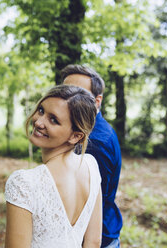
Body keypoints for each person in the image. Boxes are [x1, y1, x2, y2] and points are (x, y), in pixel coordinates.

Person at [5, 85, 102, 248]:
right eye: (41, 110)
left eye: (53, 120)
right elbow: (93, 241)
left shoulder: (24, 182)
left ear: (75, 136)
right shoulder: (90, 165)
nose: (38, 121)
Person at [61, 65, 123, 248]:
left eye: (78, 94)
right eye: (65, 92)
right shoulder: (85, 128)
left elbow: (88, 204)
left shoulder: (94, 142)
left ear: (97, 101)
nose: (68, 100)